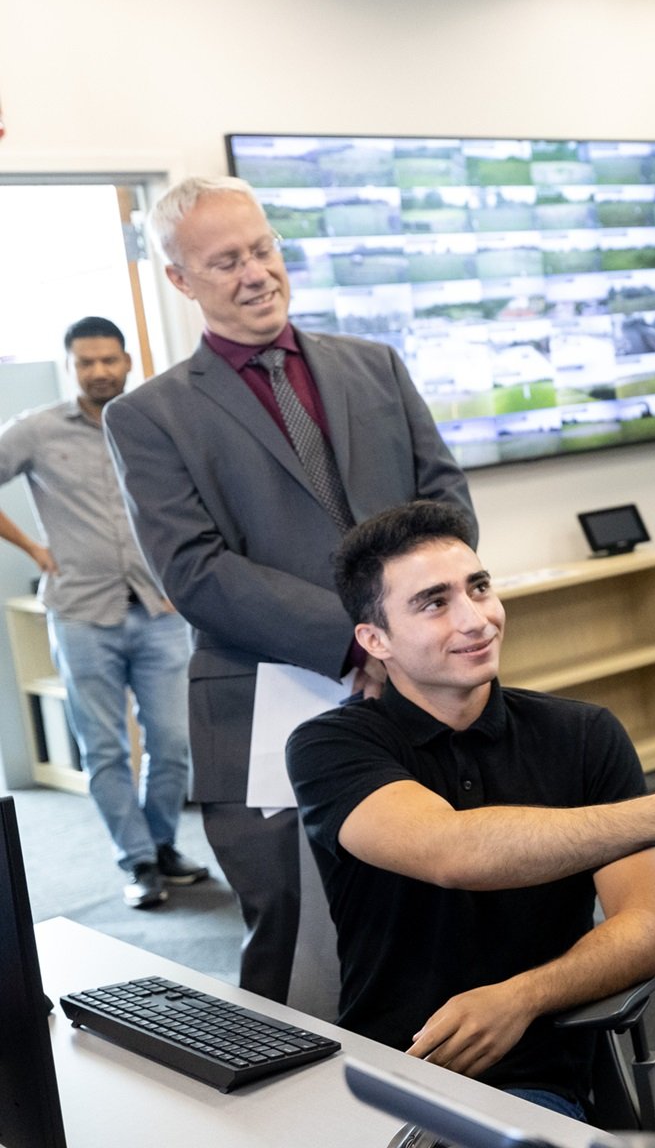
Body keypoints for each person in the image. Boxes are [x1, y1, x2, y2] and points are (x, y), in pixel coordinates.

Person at [104, 176, 475, 1000]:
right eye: (226, 260)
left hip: (422, 683)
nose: (256, 272)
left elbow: (445, 504)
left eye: (263, 248)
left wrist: (412, 626)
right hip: (266, 702)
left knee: (448, 901)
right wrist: (354, 638)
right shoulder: (148, 417)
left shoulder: (374, 367)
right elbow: (194, 570)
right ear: (180, 280)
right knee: (292, 931)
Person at [287, 501, 655, 1121]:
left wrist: (521, 998)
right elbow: (453, 851)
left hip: (536, 1077)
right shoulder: (331, 745)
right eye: (435, 602)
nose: (476, 619)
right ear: (376, 640)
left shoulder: (585, 735)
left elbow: (645, 929)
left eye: (479, 587)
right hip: (385, 1072)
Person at [0, 316, 208, 910]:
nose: (98, 371)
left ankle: (163, 844)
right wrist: (34, 550)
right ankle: (137, 860)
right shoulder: (37, 431)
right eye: (85, 362)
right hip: (80, 613)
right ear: (71, 367)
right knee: (106, 748)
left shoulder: (154, 425)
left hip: (159, 607)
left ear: (127, 361)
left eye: (108, 360)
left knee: (171, 740)